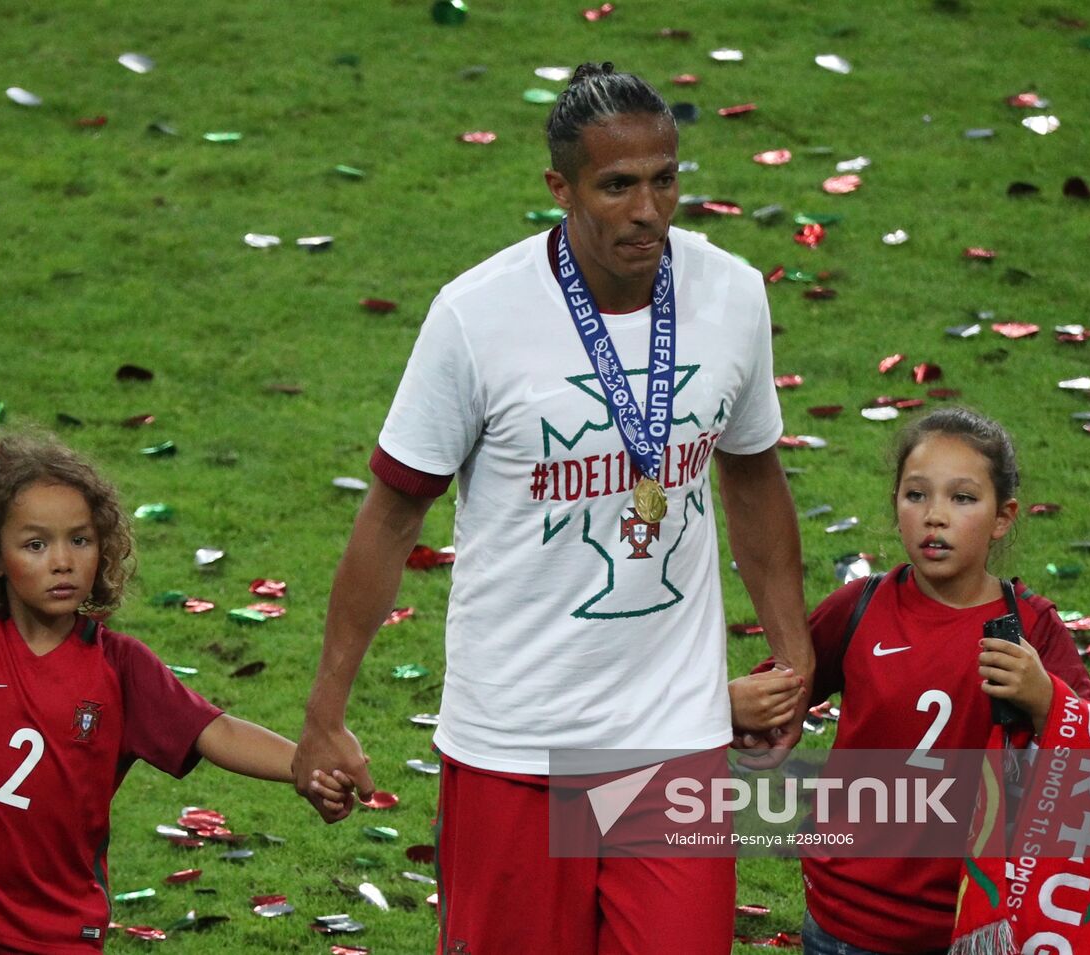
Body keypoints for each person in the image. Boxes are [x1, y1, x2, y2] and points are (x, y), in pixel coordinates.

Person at [292, 62, 814, 954]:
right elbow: (390, 516)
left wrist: (793, 648)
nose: (647, 210)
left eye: (665, 179)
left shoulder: (731, 295)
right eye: (617, 186)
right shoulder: (475, 316)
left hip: (672, 737)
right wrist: (325, 709)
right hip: (515, 744)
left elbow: (754, 474)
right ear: (560, 188)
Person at [0, 436, 350, 954]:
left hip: (57, 928)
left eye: (79, 540)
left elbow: (216, 731)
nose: (62, 561)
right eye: (35, 545)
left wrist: (306, 766)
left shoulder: (119, 666)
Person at [797, 408, 1090, 955]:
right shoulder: (857, 608)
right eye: (916, 495)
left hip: (967, 926)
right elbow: (784, 693)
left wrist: (1047, 699)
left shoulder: (1031, 627)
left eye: (962, 498)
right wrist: (748, 702)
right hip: (844, 920)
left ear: (1003, 517)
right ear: (895, 505)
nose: (935, 517)